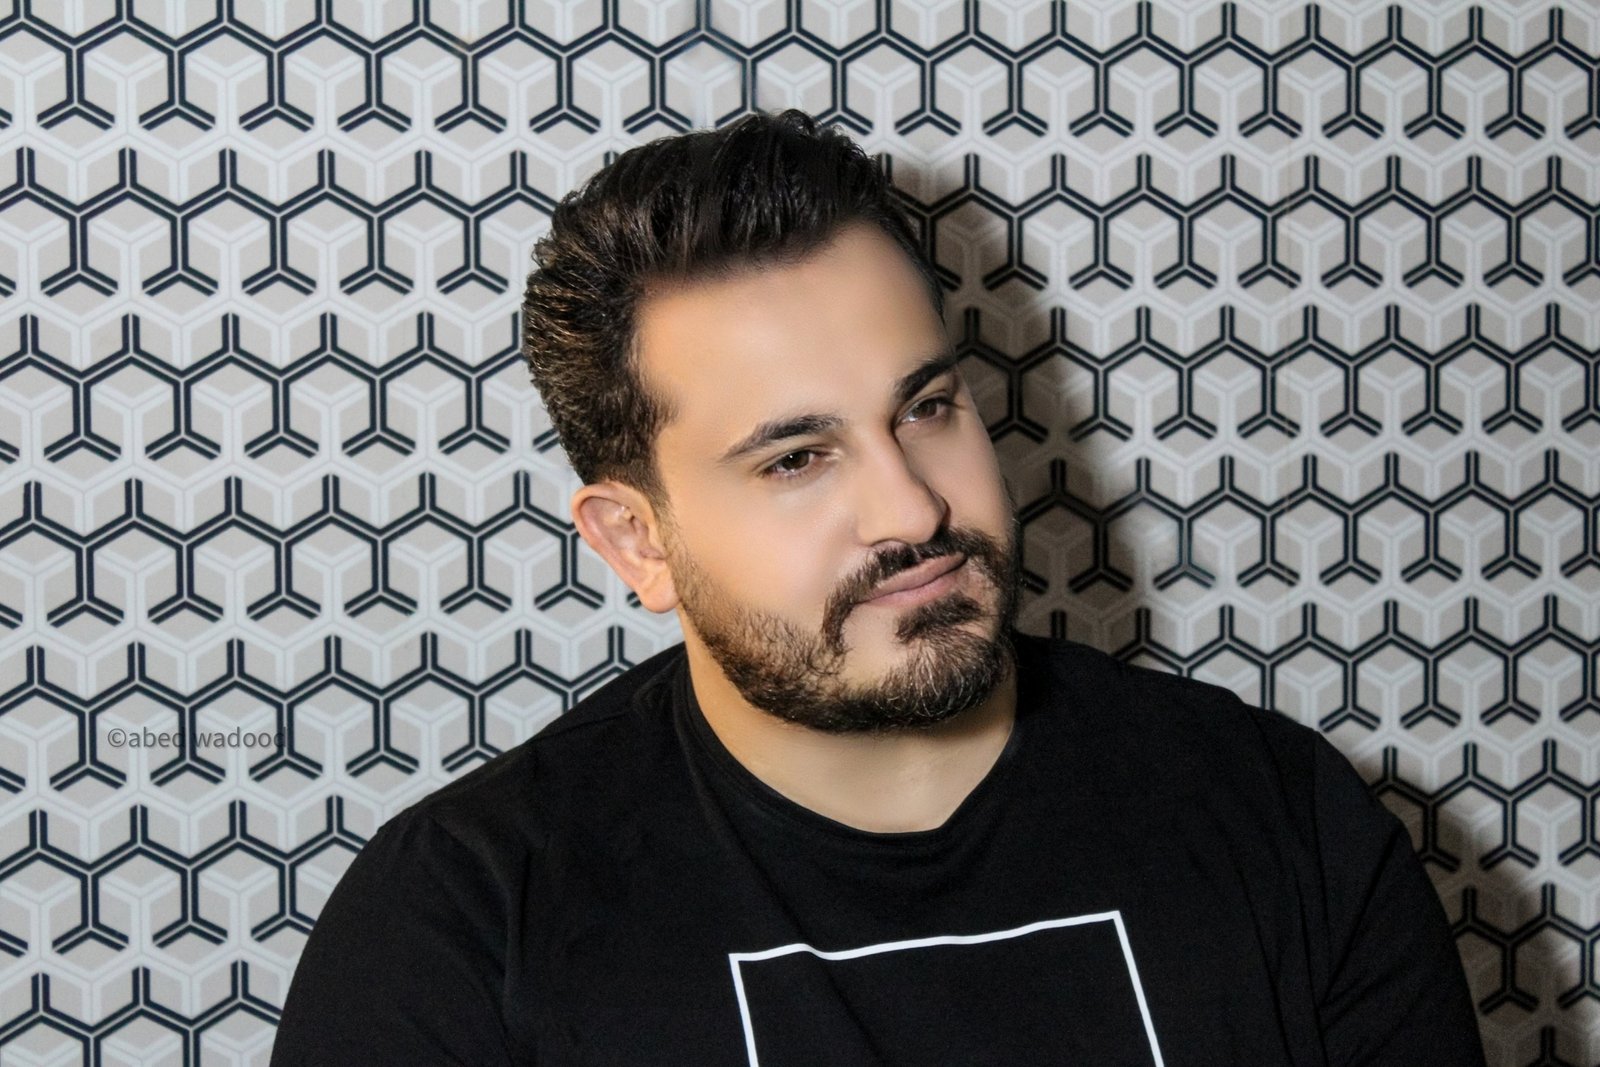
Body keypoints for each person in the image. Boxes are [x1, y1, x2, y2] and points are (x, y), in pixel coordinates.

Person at [269, 109, 1487, 1066]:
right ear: (637, 542)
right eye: (796, 458)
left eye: (927, 406)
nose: (913, 508)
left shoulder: (1285, 820)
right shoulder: (460, 930)